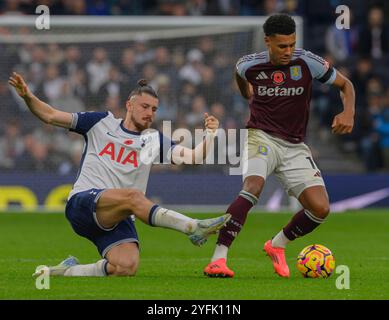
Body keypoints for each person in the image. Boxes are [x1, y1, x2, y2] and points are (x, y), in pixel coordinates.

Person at [8, 72, 230, 277]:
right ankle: (193, 227)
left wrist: (210, 136)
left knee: (126, 267)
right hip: (84, 203)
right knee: (134, 196)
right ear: (129, 105)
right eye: (144, 106)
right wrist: (28, 96)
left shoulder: (153, 140)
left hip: (118, 214)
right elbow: (50, 115)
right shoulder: (100, 122)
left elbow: (193, 158)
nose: (149, 113)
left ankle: (68, 270)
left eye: (154, 109)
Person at [203, 14, 355, 278]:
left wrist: (348, 112)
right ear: (267, 42)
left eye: (291, 45)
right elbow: (239, 76)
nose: (288, 51)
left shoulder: (307, 61)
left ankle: (277, 245)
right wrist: (246, 92)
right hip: (260, 136)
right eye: (282, 46)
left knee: (320, 209)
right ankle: (218, 258)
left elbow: (346, 85)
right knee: (253, 187)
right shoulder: (248, 65)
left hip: (294, 146)